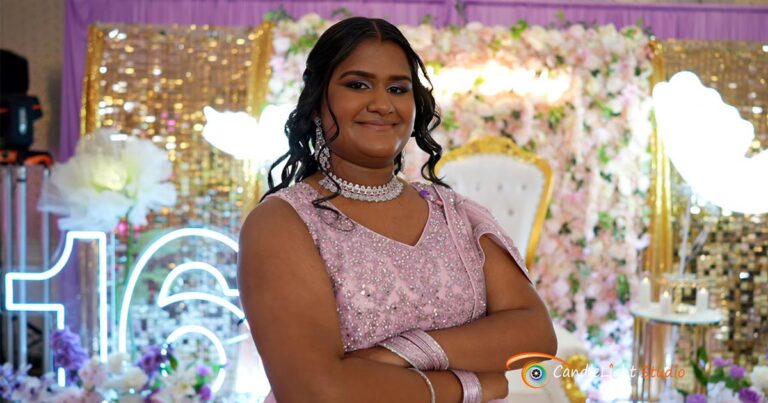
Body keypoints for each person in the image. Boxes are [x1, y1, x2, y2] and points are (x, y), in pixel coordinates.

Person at [237, 16, 557, 403]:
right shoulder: (281, 224)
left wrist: (396, 356)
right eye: (357, 84)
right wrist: (473, 384)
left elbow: (535, 335)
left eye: (397, 88)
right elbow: (316, 391)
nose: (382, 104)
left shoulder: (454, 212)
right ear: (318, 101)